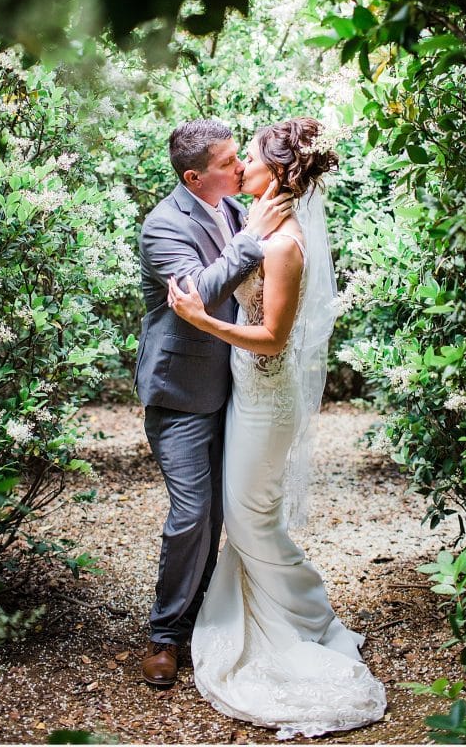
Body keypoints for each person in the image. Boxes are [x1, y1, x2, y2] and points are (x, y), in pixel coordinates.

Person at [167, 117, 387, 738]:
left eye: (251, 159)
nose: (240, 169)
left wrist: (200, 319)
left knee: (249, 518)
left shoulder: (283, 242)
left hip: (266, 396)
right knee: (249, 515)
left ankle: (310, 621)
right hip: (247, 392)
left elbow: (271, 339)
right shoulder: (256, 219)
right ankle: (284, 615)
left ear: (278, 172)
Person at [134, 118, 293, 688]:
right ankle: (165, 636)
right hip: (180, 394)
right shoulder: (161, 227)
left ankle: (205, 613)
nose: (241, 167)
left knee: (225, 512)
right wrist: (252, 241)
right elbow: (193, 297)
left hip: (240, 384)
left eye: (238, 156)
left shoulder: (232, 206)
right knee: (192, 513)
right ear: (194, 176)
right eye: (229, 163)